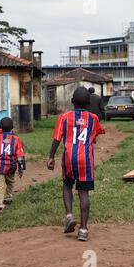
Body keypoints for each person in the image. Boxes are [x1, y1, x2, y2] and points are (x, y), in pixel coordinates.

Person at [47, 86, 105, 242]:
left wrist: (51, 157)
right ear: (88, 102)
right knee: (83, 193)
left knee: (67, 184)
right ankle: (84, 230)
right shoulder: (93, 118)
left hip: (68, 158)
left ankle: (69, 216)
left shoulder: (64, 118)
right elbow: (95, 135)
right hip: (85, 160)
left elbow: (57, 139)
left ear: (72, 101)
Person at [0, 118, 26, 214]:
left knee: (0, 185)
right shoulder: (16, 139)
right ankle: (8, 197)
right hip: (11, 166)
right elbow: (20, 155)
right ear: (12, 127)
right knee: (10, 182)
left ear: (0, 127)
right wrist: (21, 168)